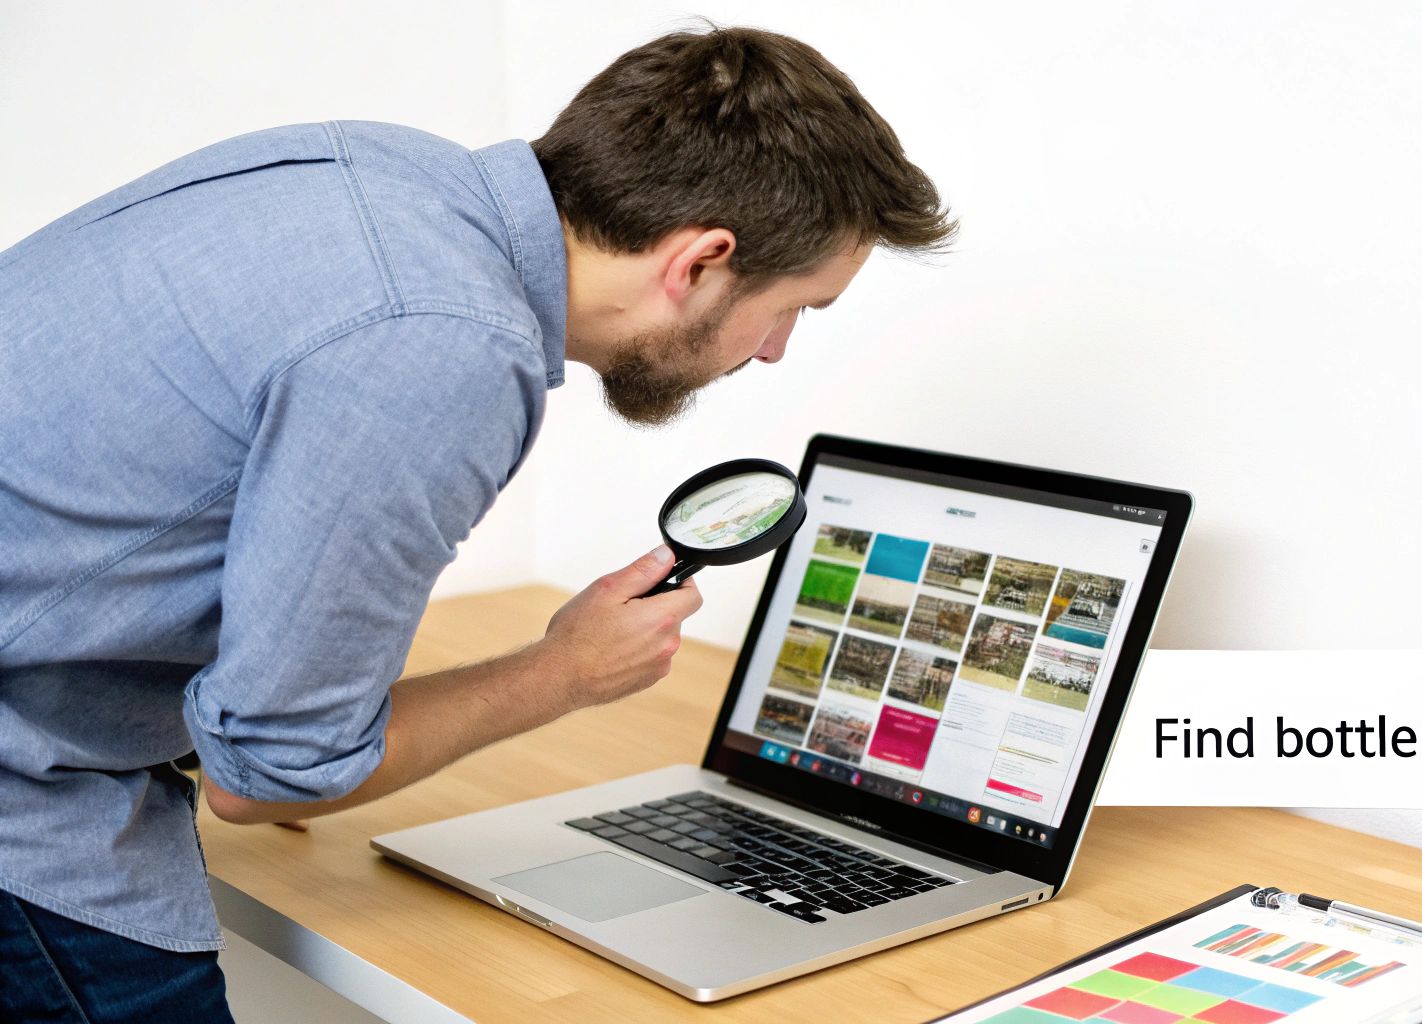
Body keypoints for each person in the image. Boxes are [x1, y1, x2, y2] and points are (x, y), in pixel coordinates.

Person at [0, 25, 952, 1022]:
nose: (772, 354)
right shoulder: (446, 343)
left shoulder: (384, 168)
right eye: (796, 307)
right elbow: (264, 783)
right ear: (701, 261)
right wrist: (562, 672)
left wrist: (278, 709)